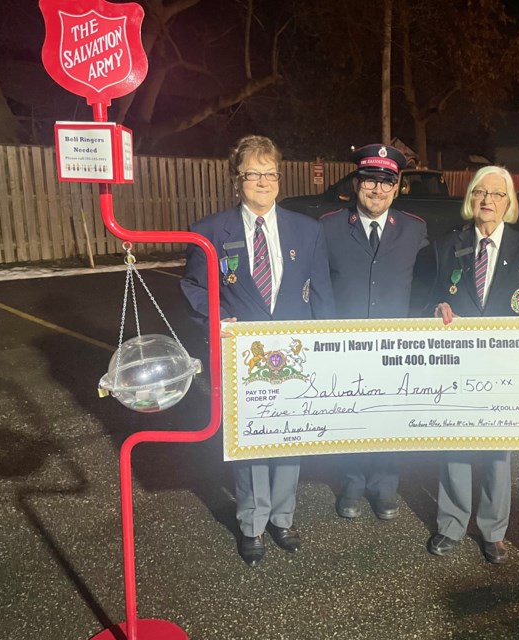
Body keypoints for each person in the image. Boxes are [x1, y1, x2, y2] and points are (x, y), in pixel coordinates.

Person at [180, 135, 336, 567]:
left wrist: (328, 346)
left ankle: (282, 517)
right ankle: (252, 522)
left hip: (298, 352)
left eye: (270, 173)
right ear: (238, 179)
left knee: (290, 436)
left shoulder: (307, 230)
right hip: (243, 355)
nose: (263, 181)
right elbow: (193, 287)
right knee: (249, 440)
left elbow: (321, 292)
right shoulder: (209, 231)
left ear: (279, 179)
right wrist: (216, 319)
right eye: (253, 173)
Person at [425, 165, 519, 564]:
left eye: (497, 195)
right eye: (481, 193)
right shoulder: (448, 245)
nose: (487, 201)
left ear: (509, 203)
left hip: (504, 368)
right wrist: (435, 308)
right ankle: (451, 523)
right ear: (471, 199)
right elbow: (429, 296)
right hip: (457, 366)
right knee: (455, 443)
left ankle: (494, 529)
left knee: (499, 450)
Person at [320, 143, 429, 521]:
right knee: (351, 417)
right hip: (343, 345)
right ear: (356, 183)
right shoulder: (330, 227)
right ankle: (350, 483)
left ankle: (385, 487)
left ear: (397, 187)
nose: (378, 190)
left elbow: (428, 282)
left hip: (394, 346)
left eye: (387, 182)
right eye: (370, 181)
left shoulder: (414, 230)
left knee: (389, 418)